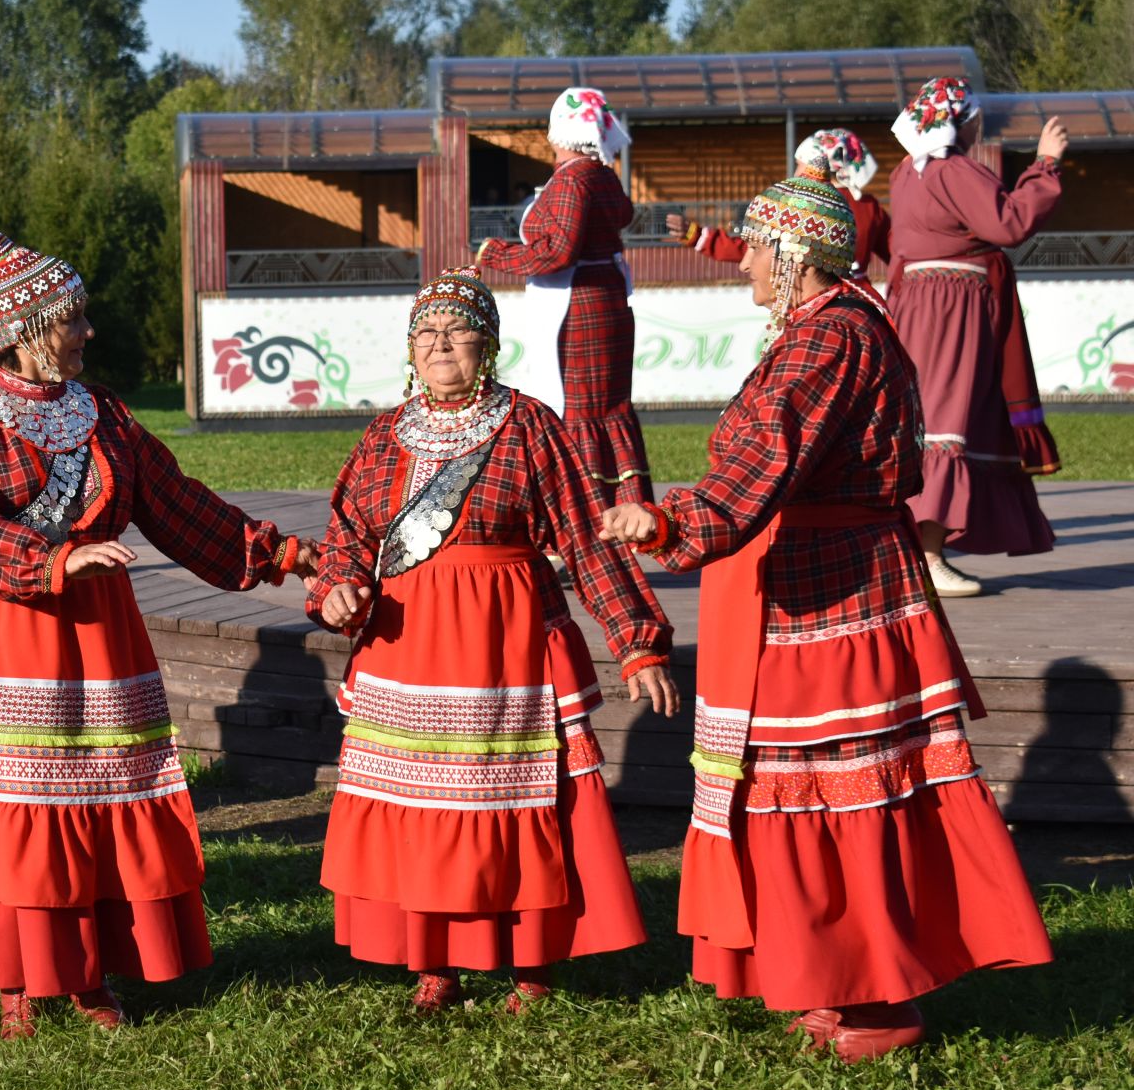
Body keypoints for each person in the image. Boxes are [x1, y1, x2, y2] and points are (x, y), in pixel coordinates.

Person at [598, 158, 1052, 1063]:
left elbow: (769, 454)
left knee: (840, 785)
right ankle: (831, 976)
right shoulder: (831, 324)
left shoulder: (829, 339)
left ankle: (879, 999)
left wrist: (669, 519)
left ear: (793, 252)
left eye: (755, 250)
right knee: (801, 789)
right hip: (813, 578)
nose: (744, 267)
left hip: (826, 591)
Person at [0, 231, 318, 1039]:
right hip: (11, 636)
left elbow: (181, 507)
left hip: (102, 640)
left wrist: (286, 556)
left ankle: (91, 972)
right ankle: (20, 979)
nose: (87, 333)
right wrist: (57, 559)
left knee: (100, 798)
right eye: (75, 320)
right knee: (19, 808)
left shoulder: (107, 418)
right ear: (29, 326)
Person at [306, 266, 678, 1013]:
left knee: (515, 801)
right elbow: (346, 540)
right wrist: (336, 592)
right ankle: (434, 959)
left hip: (503, 645)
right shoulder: (384, 437)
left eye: (457, 329)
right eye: (426, 332)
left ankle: (532, 962)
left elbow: (587, 537)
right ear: (410, 350)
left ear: (490, 343)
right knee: (425, 807)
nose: (440, 344)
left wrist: (636, 639)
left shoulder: (531, 425)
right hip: (406, 647)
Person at [885, 77, 1066, 596]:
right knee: (947, 420)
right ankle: (928, 555)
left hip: (920, 302)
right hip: (951, 307)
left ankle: (917, 550)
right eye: (974, 117)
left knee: (936, 415)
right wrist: (1045, 165)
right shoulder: (952, 169)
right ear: (960, 121)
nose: (978, 124)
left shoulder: (907, 172)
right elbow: (1008, 221)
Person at [474, 86, 651, 507]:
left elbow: (558, 251)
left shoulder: (572, 179)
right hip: (606, 301)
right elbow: (620, 216)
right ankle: (622, 508)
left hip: (576, 309)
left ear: (558, 133)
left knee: (574, 410)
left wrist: (497, 254)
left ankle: (583, 516)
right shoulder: (603, 175)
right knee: (608, 408)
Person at [666, 129, 892, 277]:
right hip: (862, 304)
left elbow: (757, 248)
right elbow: (898, 253)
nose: (795, 171)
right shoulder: (870, 207)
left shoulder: (804, 204)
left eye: (799, 163)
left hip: (814, 300)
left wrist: (697, 235)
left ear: (818, 164)